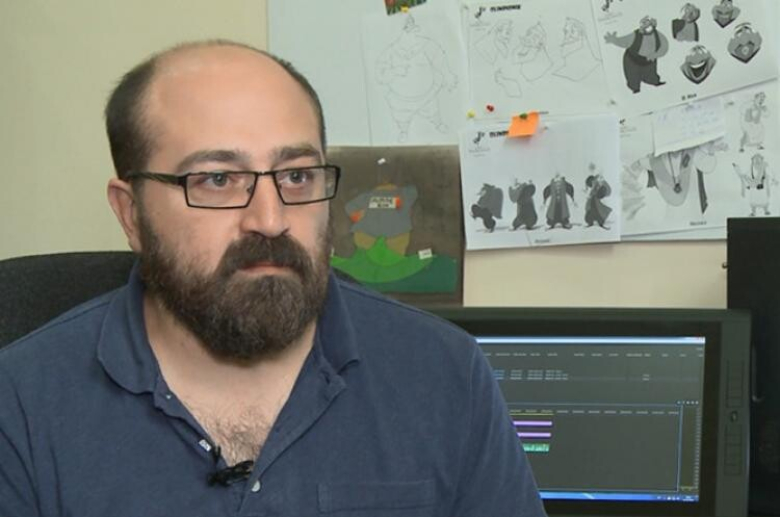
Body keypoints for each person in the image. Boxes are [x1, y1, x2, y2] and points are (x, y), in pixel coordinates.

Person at [0, 40, 545, 516]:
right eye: (217, 179)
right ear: (131, 214)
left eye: (298, 175)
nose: (270, 218)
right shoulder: (21, 401)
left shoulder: (444, 372)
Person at [604, 16, 669, 94]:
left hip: (649, 60)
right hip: (633, 60)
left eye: (649, 25)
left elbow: (664, 47)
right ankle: (635, 88)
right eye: (644, 25)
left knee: (651, 74)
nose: (647, 28)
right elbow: (624, 41)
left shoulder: (658, 36)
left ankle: (655, 82)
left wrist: (655, 55)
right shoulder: (636, 35)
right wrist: (614, 40)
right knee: (633, 76)